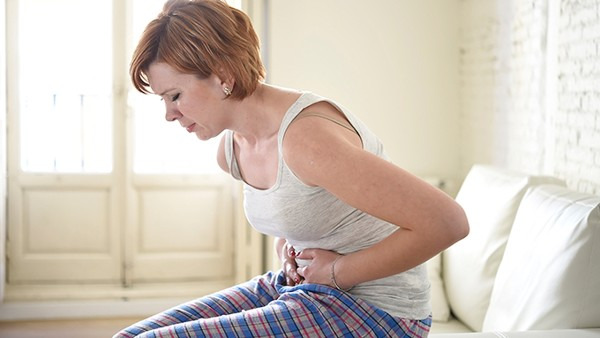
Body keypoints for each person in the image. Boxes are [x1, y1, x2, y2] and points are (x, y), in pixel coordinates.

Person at [114, 0, 469, 337]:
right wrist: (287, 251)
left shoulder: (307, 140)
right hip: (304, 290)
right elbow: (301, 209)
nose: (168, 114)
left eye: (175, 95)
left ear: (222, 75)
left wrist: (337, 271)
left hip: (378, 311)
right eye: (163, 99)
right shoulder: (231, 151)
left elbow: (447, 222)